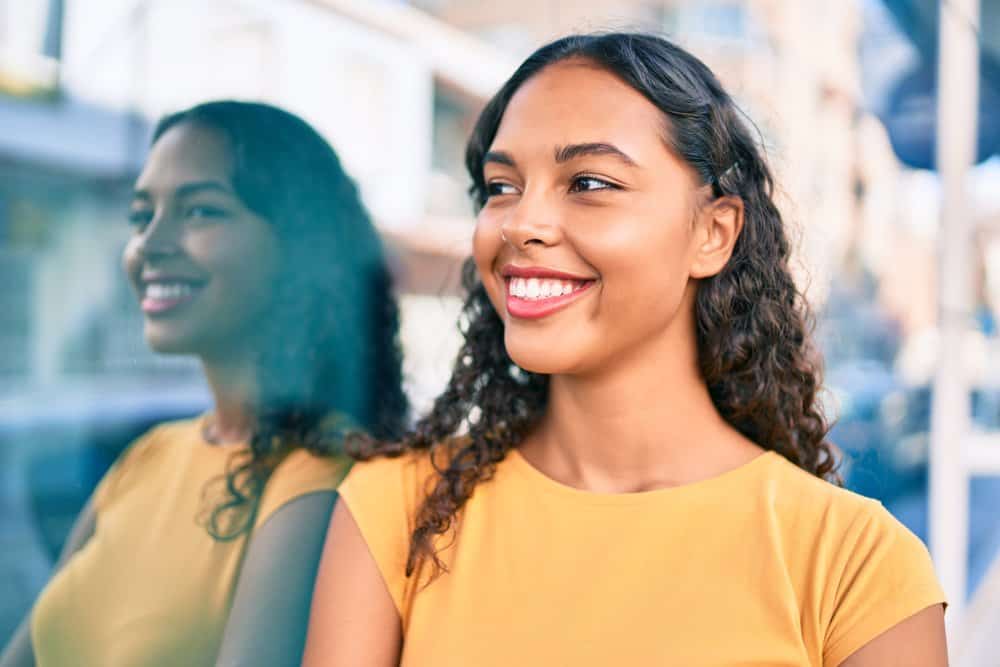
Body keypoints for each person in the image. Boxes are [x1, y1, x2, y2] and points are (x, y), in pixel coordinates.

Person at [304, 33, 947, 666]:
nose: (522, 223)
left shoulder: (858, 565)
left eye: (587, 182)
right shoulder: (396, 509)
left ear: (712, 233)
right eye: (503, 186)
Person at [0, 100, 406, 667]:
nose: (151, 244)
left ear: (299, 248)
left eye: (200, 212)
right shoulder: (149, 455)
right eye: (142, 216)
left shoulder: (319, 474)